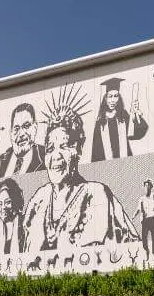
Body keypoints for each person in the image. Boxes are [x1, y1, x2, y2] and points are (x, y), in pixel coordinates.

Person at [22, 106, 139, 252]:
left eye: (64, 146)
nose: (56, 156)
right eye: (50, 149)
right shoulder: (39, 200)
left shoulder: (96, 194)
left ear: (79, 148)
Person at [91, 77, 148, 162]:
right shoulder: (100, 122)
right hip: (107, 165)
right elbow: (96, 151)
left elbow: (136, 134)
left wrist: (136, 115)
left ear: (119, 98)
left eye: (116, 96)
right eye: (110, 96)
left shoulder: (123, 116)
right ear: (105, 99)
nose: (113, 100)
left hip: (126, 162)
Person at [0, 103, 45, 179]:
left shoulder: (45, 156)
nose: (21, 134)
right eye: (16, 128)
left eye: (26, 126)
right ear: (11, 133)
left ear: (35, 128)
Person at [0, 178, 26, 255]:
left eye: (7, 202)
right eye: (0, 203)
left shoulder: (26, 225)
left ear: (16, 201)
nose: (3, 207)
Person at [133, 179, 154, 264]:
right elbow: (138, 209)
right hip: (144, 221)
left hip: (152, 219)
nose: (147, 187)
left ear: (151, 187)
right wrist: (133, 216)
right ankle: (147, 252)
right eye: (145, 186)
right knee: (144, 239)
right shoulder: (141, 199)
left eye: (148, 185)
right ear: (144, 187)